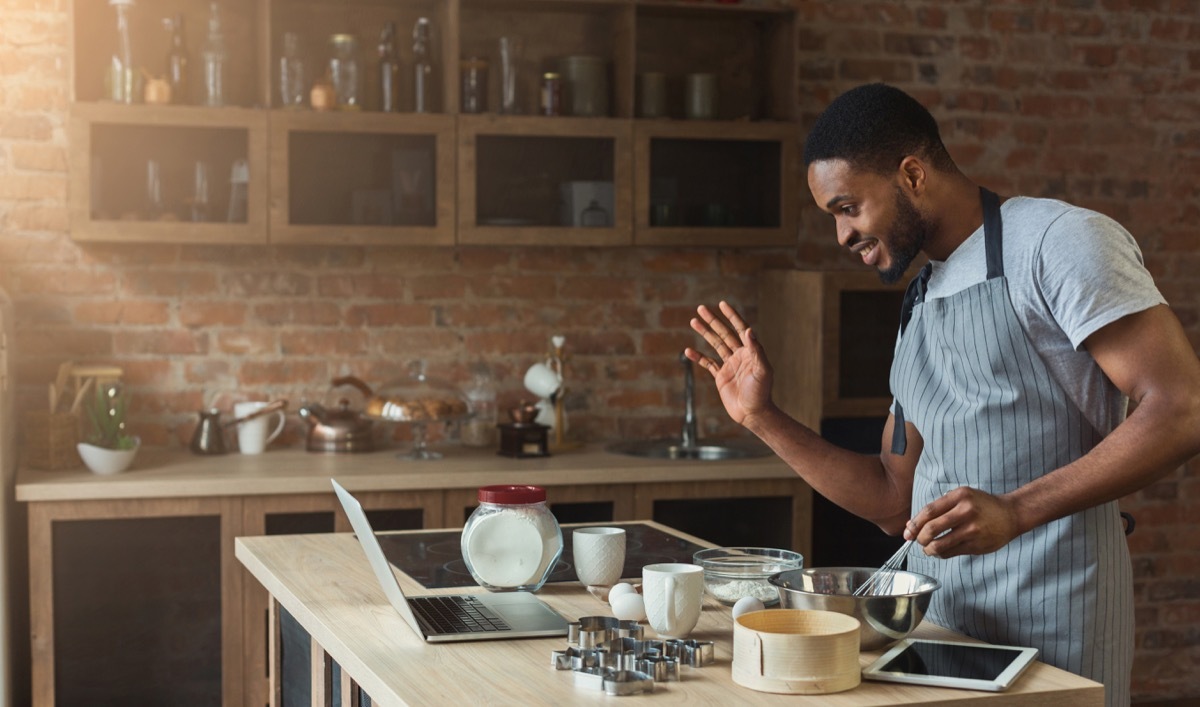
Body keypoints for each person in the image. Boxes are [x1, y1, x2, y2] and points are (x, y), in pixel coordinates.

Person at [685, 83, 1200, 706]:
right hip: (932, 635)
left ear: (911, 174)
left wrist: (1016, 511)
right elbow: (888, 498)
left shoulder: (1057, 242)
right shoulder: (919, 304)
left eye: (848, 207)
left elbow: (1181, 409)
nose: (842, 234)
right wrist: (761, 418)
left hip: (1055, 625)